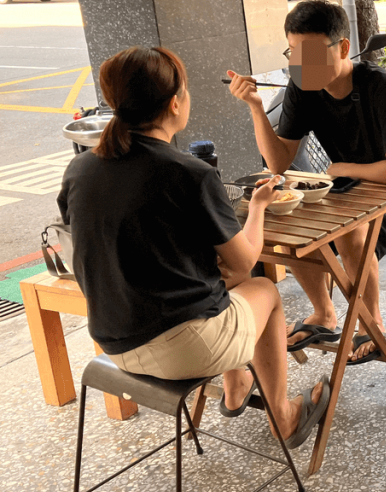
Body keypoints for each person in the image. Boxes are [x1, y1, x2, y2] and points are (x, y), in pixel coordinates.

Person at [58, 46, 329, 449]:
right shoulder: (189, 173)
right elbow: (245, 260)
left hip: (115, 343)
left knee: (225, 285)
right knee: (264, 290)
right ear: (174, 103)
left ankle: (237, 383)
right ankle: (284, 417)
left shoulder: (80, 169)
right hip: (181, 349)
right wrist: (257, 207)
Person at [227, 0, 386, 363]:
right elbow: (279, 161)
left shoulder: (379, 85)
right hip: (349, 190)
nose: (302, 64)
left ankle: (372, 323)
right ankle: (324, 312)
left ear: (343, 48)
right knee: (291, 218)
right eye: (295, 52)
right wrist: (256, 107)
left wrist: (344, 168)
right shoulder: (302, 87)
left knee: (352, 231)